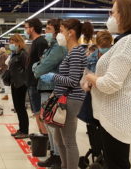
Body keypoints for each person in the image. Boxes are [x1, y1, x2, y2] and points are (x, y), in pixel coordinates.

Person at [85, 0, 131, 168]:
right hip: (114, 114)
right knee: (114, 161)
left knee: (117, 163)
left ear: (125, 14)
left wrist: (91, 77)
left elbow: (110, 83)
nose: (110, 17)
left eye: (113, 12)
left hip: (118, 115)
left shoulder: (129, 42)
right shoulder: (126, 41)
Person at [41, 19, 94, 169]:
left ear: (70, 33)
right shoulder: (71, 52)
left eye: (61, 31)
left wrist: (53, 76)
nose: (59, 35)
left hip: (71, 99)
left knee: (69, 140)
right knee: (59, 139)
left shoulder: (77, 52)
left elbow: (72, 81)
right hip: (63, 97)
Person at [33, 19, 67, 169]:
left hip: (52, 88)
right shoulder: (51, 47)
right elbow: (40, 65)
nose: (46, 31)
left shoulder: (58, 48)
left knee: (53, 126)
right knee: (48, 123)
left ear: (57, 31)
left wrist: (37, 67)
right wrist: (38, 66)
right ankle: (54, 154)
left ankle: (58, 158)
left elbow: (41, 68)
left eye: (48, 29)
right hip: (46, 87)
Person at [24, 18, 49, 135]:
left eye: (26, 27)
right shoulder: (34, 42)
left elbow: (43, 63)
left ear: (32, 28)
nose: (25, 30)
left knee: (39, 111)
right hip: (31, 82)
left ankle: (44, 136)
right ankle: (41, 135)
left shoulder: (41, 42)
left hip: (37, 83)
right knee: (35, 111)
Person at [8, 34, 30, 139]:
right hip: (14, 83)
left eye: (13, 42)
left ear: (18, 42)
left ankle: (25, 130)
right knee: (17, 107)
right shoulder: (14, 54)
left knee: (21, 108)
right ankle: (21, 129)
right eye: (10, 42)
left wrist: (23, 81)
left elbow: (27, 69)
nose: (11, 44)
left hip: (21, 84)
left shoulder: (23, 54)